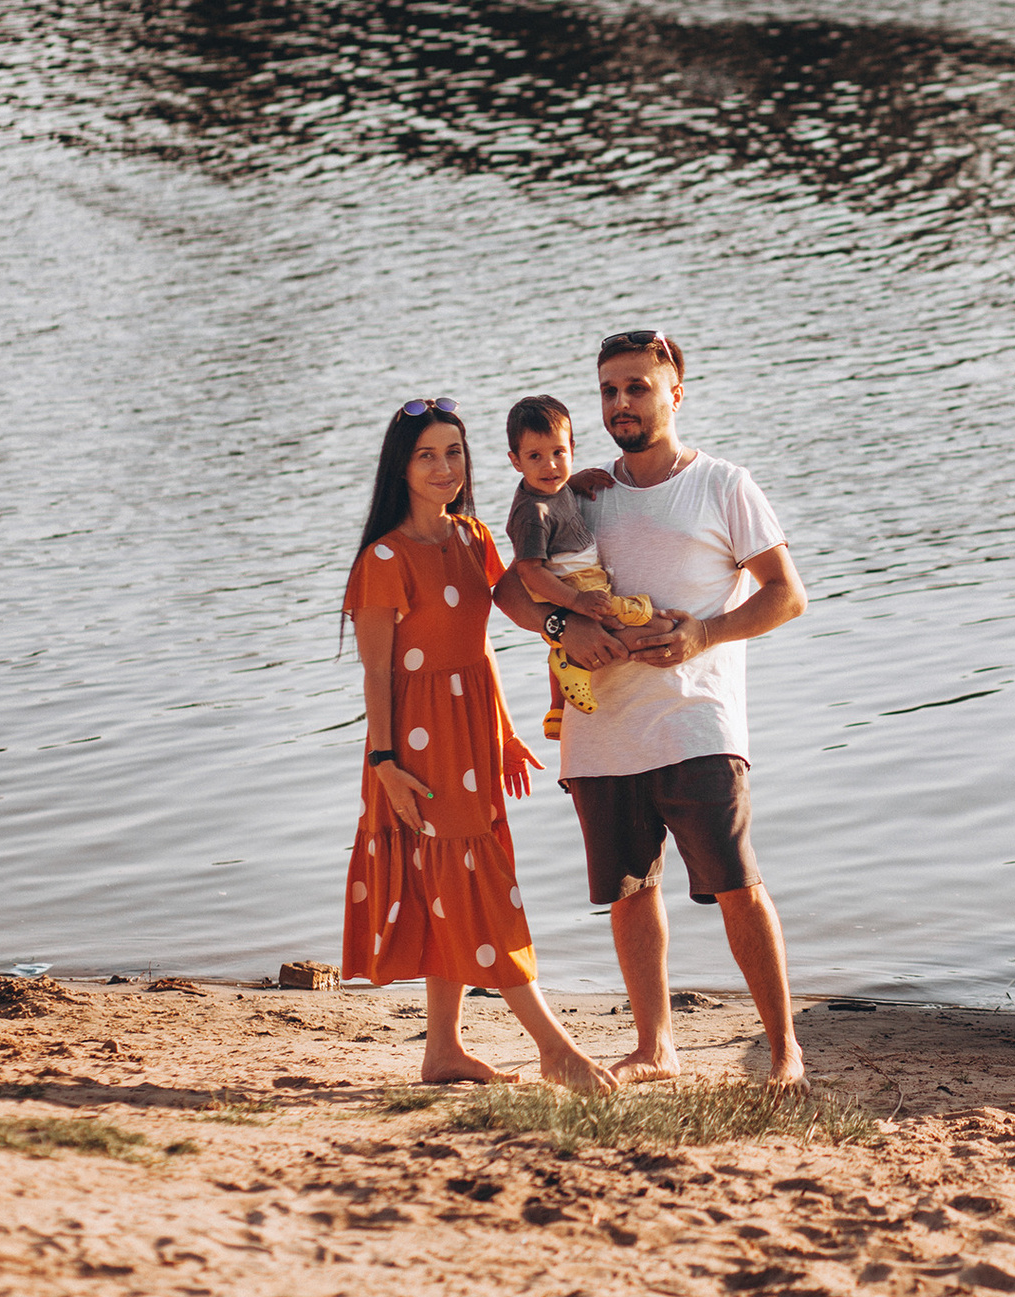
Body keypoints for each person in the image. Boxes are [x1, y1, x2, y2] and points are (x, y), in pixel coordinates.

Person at [496, 331, 810, 1088]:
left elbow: (785, 594)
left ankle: (784, 1051)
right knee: (631, 892)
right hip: (602, 731)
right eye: (608, 390)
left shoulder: (723, 484)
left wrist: (706, 629)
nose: (621, 403)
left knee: (737, 881)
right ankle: (654, 1046)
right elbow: (512, 590)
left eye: (637, 387)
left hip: (696, 719)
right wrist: (568, 625)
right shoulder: (580, 492)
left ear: (676, 392)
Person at [340, 395, 617, 1091]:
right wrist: (384, 764)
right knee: (478, 883)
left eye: (454, 452)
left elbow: (495, 633)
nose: (443, 467)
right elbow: (377, 670)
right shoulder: (384, 556)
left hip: (472, 735)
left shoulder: (471, 536)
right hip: (416, 744)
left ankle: (443, 1050)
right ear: (400, 467)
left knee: (453, 881)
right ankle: (554, 1046)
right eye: (426, 454)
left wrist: (510, 729)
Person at [500, 393, 655, 740]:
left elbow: (554, 486)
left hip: (581, 576)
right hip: (571, 582)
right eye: (535, 457)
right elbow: (529, 571)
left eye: (558, 453)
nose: (550, 466)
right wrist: (575, 603)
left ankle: (557, 710)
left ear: (572, 446)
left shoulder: (553, 488)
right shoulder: (532, 514)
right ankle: (570, 669)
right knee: (636, 622)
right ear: (515, 461)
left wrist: (574, 481)